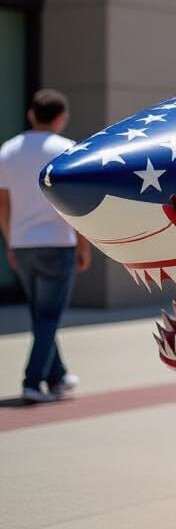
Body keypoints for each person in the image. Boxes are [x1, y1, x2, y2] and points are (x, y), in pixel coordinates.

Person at [0, 90, 92, 402]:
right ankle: (32, 382)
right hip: (57, 243)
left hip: (23, 244)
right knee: (48, 316)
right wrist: (83, 245)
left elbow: (3, 203)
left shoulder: (8, 150)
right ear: (61, 118)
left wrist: (11, 241)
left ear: (31, 114)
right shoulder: (67, 150)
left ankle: (58, 376)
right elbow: (76, 203)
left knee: (41, 315)